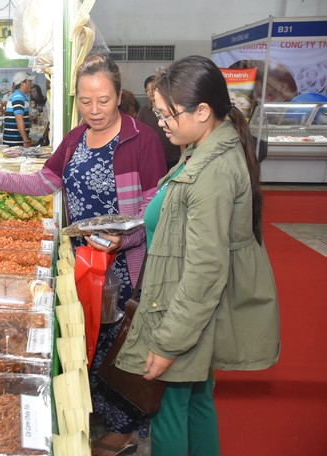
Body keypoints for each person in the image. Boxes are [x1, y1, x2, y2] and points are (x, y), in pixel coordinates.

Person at [0, 55, 166, 455]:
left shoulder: (142, 139)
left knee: (117, 344)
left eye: (104, 100)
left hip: (123, 266)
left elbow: (155, 206)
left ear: (118, 95)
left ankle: (124, 430)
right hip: (79, 262)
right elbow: (43, 181)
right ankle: (94, 415)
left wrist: (122, 240)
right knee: (85, 342)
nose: (95, 110)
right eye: (87, 101)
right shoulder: (74, 138)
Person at [116, 55, 280, 456]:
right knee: (197, 401)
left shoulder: (212, 170)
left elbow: (206, 268)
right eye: (157, 112)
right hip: (188, 308)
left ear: (203, 111)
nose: (161, 123)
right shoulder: (201, 148)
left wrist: (168, 343)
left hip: (183, 312)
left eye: (167, 114)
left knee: (169, 410)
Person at [137, 75, 182, 169]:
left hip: (172, 157)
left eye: (153, 89)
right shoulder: (143, 111)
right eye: (147, 90)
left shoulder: (173, 108)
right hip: (152, 158)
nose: (150, 92)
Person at [3, 71, 34, 147]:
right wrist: (26, 140)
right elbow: (19, 118)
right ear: (22, 83)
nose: (31, 84)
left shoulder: (20, 96)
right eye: (29, 81)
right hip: (15, 143)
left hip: (15, 142)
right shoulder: (18, 97)